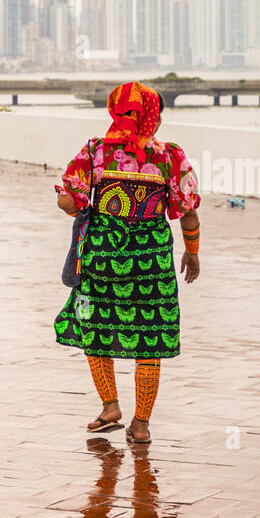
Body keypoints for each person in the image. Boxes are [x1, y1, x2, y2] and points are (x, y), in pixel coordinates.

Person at [53, 82, 201, 445]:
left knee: (95, 327)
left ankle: (110, 406)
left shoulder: (95, 151)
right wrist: (192, 251)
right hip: (151, 263)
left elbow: (67, 201)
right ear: (152, 117)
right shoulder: (170, 156)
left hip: (101, 258)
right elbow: (188, 210)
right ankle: (141, 424)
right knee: (149, 339)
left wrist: (83, 206)